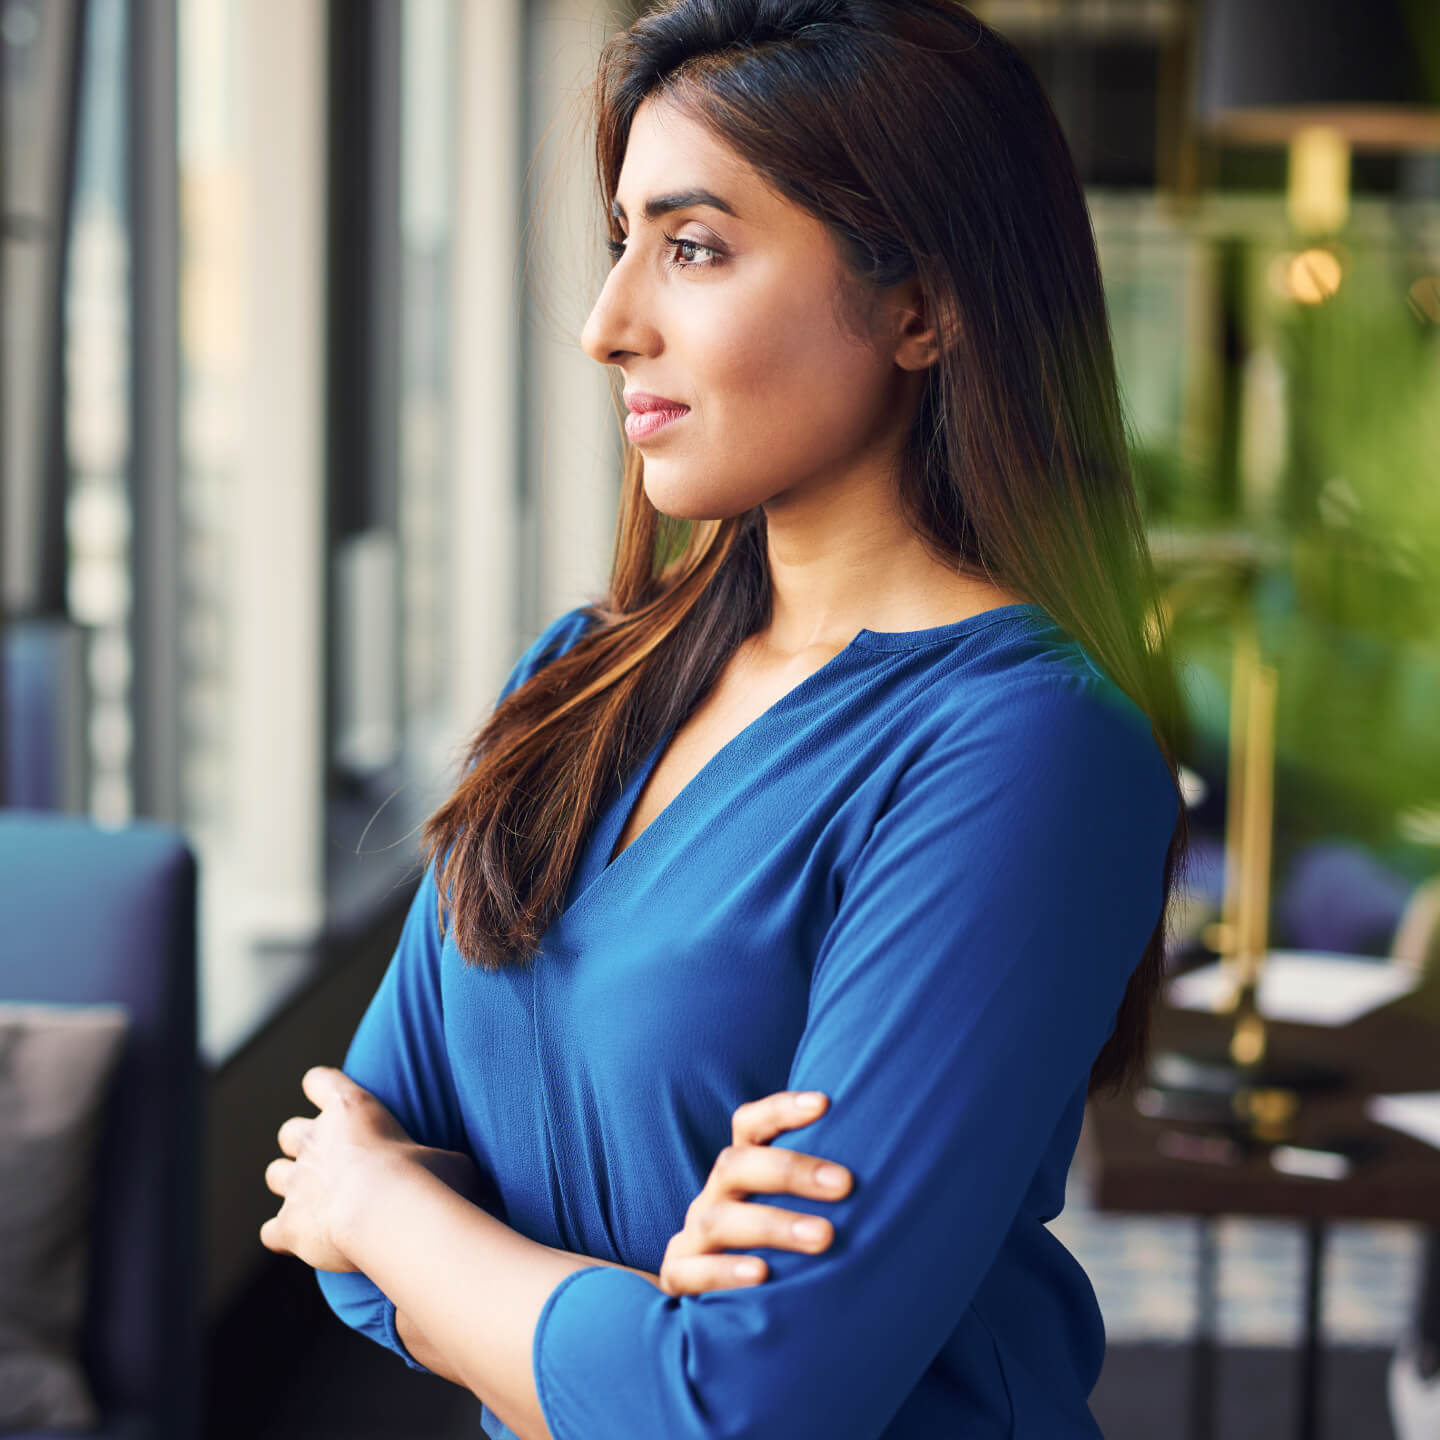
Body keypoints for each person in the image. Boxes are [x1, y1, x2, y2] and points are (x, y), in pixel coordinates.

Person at [291, 2, 1191, 1435]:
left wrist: (392, 1215)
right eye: (620, 240)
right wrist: (644, 1317)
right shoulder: (576, 677)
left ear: (921, 304)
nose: (607, 323)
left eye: (694, 246)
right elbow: (337, 1209)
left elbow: (744, 1404)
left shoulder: (1027, 748)